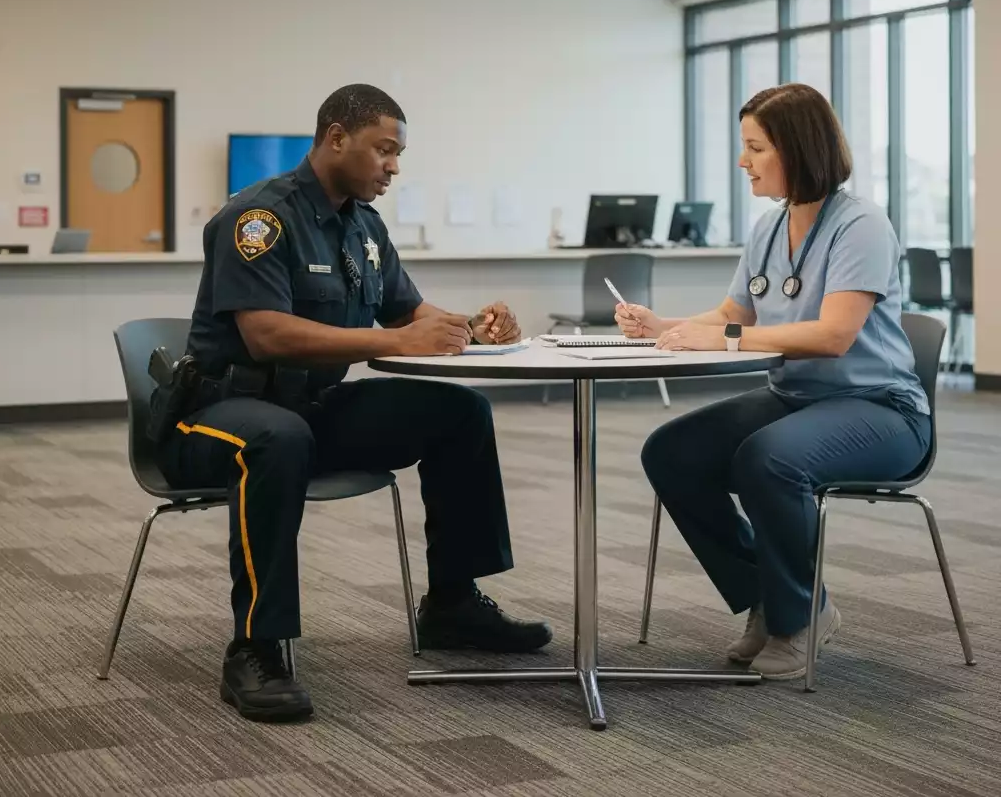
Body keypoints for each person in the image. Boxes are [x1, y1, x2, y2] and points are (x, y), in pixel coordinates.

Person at [161, 83, 552, 722]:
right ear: (336, 139)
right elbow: (266, 335)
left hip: (309, 410)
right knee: (276, 439)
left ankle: (452, 603)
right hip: (214, 417)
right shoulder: (259, 219)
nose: (394, 166)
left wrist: (473, 327)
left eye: (397, 154)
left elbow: (410, 313)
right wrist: (398, 338)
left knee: (459, 412)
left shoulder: (363, 226)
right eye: (384, 151)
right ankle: (255, 647)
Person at [615, 83, 931, 681]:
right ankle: (769, 593)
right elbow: (737, 314)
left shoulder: (860, 224)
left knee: (769, 459)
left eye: (755, 148)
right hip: (798, 399)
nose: (743, 162)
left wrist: (724, 340)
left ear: (796, 148)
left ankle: (799, 617)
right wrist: (664, 326)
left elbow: (833, 335)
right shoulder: (769, 227)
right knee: (672, 451)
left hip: (882, 410)